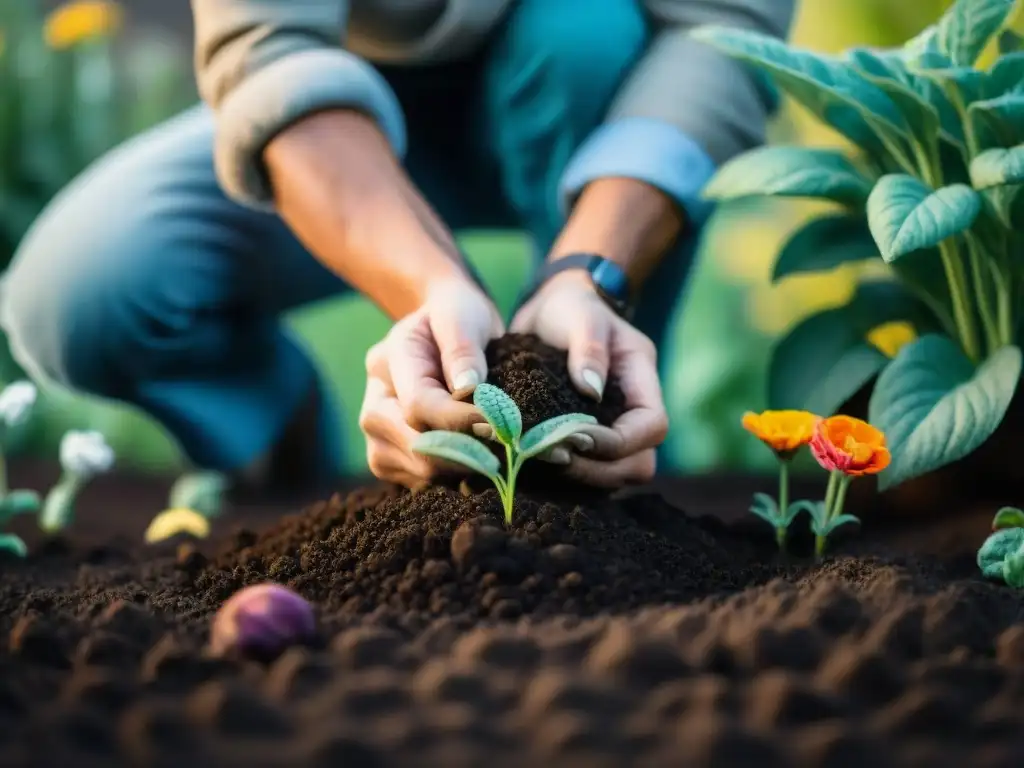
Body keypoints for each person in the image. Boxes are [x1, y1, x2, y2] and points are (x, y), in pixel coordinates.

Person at [0, 0, 794, 496]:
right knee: (78, 295)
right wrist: (433, 290)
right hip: (354, 118)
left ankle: (603, 423)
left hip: (599, 109)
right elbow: (272, 49)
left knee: (581, 27)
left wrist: (588, 274)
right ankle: (282, 434)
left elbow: (721, 32)